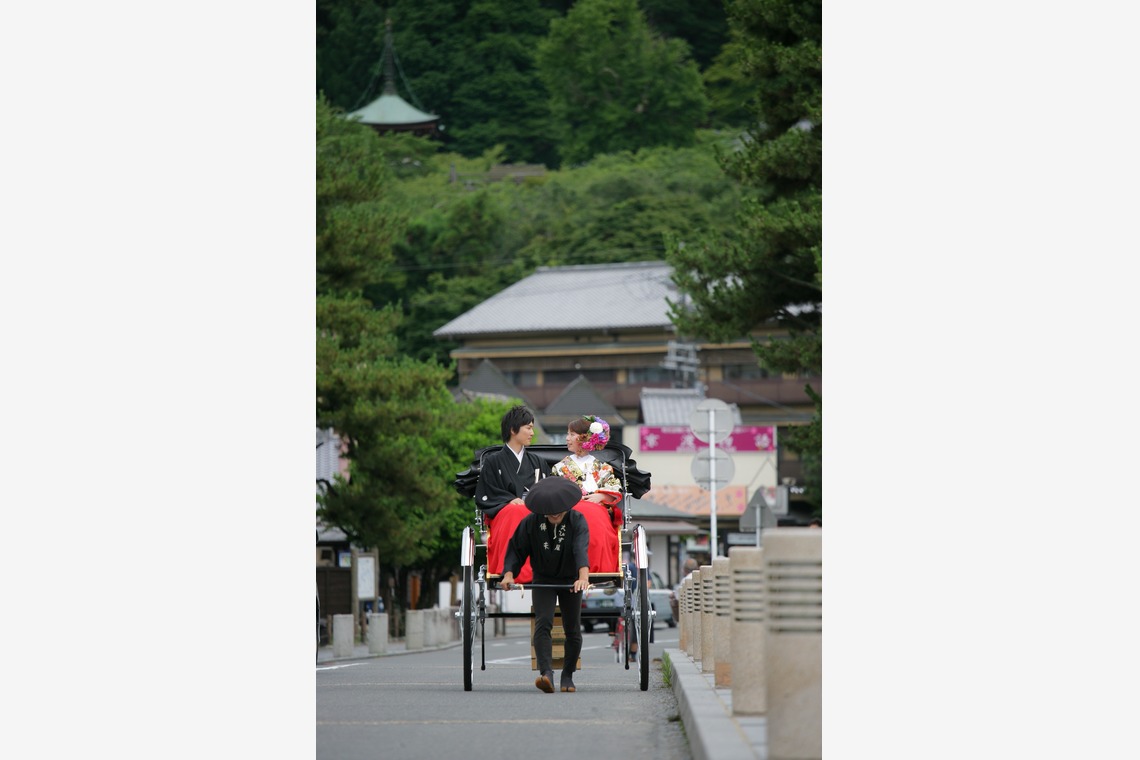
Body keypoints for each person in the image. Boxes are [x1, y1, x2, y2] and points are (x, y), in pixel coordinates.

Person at [500, 476, 591, 694]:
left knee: (572, 628)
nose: (554, 513)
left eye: (558, 510)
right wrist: (509, 574)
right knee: (543, 623)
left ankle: (567, 675)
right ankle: (546, 673)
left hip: (571, 580)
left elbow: (580, 549)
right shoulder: (531, 522)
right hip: (543, 579)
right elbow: (516, 550)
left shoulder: (577, 520)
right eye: (549, 511)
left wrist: (583, 577)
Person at [475, 405, 551, 583]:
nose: (532, 432)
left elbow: (547, 490)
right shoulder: (493, 462)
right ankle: (512, 568)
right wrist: (510, 500)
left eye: (532, 427)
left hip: (536, 510)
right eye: (528, 427)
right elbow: (487, 493)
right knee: (516, 511)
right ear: (513, 429)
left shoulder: (538, 461)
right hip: (507, 511)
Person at [553, 415, 623, 573]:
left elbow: (614, 487)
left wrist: (601, 497)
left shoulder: (602, 467)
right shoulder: (559, 467)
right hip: (568, 511)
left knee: (597, 519)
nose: (567, 438)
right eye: (568, 434)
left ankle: (597, 565)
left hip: (596, 509)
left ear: (584, 438)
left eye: (571, 434)